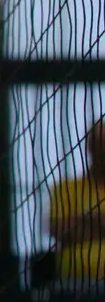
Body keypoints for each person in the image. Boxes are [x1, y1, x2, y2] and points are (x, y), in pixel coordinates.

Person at [50, 120, 105, 286]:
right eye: (100, 146)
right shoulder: (66, 189)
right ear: (90, 149)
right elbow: (60, 230)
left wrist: (84, 221)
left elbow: (72, 230)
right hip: (75, 285)